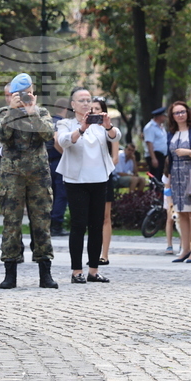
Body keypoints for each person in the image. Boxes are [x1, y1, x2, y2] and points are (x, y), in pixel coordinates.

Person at [0, 73, 58, 289]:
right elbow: (1, 136)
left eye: (28, 93)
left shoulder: (42, 113)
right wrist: (13, 112)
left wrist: (33, 113)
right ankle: (10, 271)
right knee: (11, 224)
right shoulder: (4, 113)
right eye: (20, 94)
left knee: (41, 223)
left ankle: (45, 272)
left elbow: (48, 134)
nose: (24, 97)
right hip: (12, 176)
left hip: (38, 176)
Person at [55, 87, 121, 284]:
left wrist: (108, 126)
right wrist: (81, 128)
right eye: (81, 100)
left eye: (88, 100)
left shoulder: (100, 123)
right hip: (76, 181)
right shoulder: (65, 123)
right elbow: (64, 141)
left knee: (96, 225)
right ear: (73, 105)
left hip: (100, 179)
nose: (86, 104)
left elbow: (115, 136)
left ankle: (94, 270)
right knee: (78, 225)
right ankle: (77, 271)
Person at [164, 100, 191, 264]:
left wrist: (188, 152)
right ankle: (185, 249)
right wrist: (168, 178)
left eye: (182, 112)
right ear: (172, 116)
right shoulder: (171, 132)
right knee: (181, 213)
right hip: (176, 175)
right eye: (176, 113)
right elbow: (169, 158)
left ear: (187, 113)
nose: (180, 115)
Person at [94, 96, 119, 265]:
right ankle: (92, 252)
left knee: (105, 217)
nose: (94, 112)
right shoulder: (84, 129)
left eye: (98, 109)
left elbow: (115, 157)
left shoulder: (110, 130)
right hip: (86, 177)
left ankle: (105, 254)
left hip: (104, 175)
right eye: (92, 109)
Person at [48, 97, 71, 237]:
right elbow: (57, 140)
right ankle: (56, 225)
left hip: (48, 162)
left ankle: (50, 224)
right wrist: (66, 155)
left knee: (52, 195)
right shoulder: (61, 123)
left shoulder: (49, 121)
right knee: (62, 195)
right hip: (59, 161)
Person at [143, 106, 168, 181]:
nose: (165, 118)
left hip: (162, 155)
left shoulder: (161, 127)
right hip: (155, 155)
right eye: (164, 116)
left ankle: (159, 192)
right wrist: (153, 158)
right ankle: (154, 192)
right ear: (159, 116)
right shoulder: (150, 127)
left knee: (160, 176)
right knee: (155, 177)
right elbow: (149, 143)